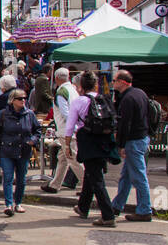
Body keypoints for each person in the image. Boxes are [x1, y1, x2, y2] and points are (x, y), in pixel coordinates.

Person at [70, 70, 117, 226]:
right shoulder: (104, 99)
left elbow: (70, 126)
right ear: (96, 84)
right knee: (92, 174)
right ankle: (83, 207)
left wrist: (66, 143)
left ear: (81, 86)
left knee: (96, 179)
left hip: (88, 141)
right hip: (103, 141)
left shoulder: (79, 101)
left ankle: (108, 215)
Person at [110, 69, 152, 221]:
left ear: (121, 82)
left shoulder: (127, 99)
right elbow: (150, 115)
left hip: (133, 141)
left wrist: (120, 146)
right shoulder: (140, 93)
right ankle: (116, 205)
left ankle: (144, 210)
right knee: (126, 177)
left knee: (138, 176)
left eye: (114, 80)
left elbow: (124, 125)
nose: (112, 83)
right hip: (142, 137)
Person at [0, 87, 40, 216]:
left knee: (21, 179)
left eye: (24, 98)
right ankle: (8, 204)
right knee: (8, 178)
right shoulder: (3, 114)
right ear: (12, 100)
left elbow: (37, 131)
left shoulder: (29, 114)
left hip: (23, 150)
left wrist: (33, 140)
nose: (23, 100)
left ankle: (18, 203)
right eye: (20, 98)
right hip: (6, 150)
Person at [44, 68, 82, 194]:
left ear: (56, 78)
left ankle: (88, 185)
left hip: (67, 131)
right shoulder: (73, 90)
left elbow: (66, 113)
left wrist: (70, 130)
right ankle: (55, 184)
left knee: (73, 159)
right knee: (63, 158)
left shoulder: (61, 92)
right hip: (71, 130)